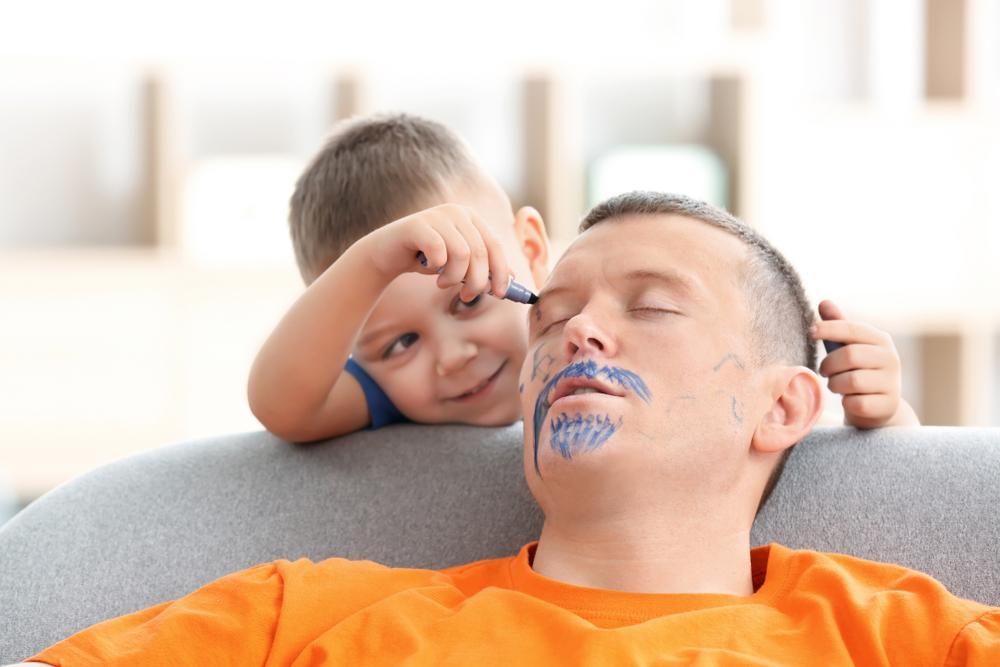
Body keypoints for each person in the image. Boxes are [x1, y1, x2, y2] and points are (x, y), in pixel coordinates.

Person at [25, 192, 992, 666]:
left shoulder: (900, 636)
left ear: (784, 407)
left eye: (652, 306)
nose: (577, 332)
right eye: (551, 315)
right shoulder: (299, 615)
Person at [248, 114, 918, 444]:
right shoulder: (388, 401)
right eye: (400, 344)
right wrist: (371, 262)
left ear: (529, 249)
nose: (451, 357)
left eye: (470, 299)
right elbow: (280, 405)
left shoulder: (604, 351)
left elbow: (765, 419)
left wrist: (885, 411)